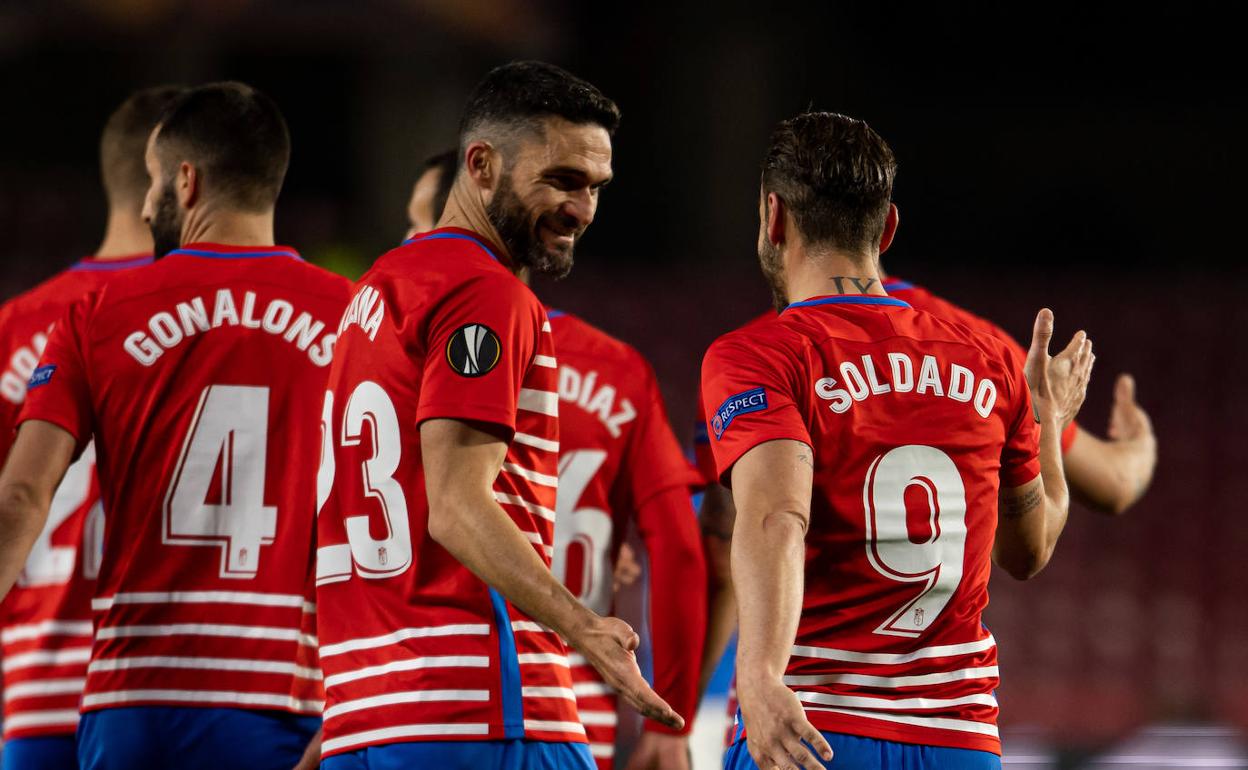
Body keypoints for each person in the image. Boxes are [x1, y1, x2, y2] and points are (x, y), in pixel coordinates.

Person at [314, 61, 681, 770]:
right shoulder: (486, 294)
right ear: (481, 164)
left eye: (595, 188)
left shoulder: (373, 294)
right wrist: (587, 629)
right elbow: (453, 506)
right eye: (563, 180)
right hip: (484, 706)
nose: (582, 209)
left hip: (369, 712)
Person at [701, 112, 1094, 769]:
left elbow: (777, 515)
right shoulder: (990, 362)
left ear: (774, 218)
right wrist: (1047, 425)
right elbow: (1029, 553)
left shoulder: (761, 356)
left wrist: (761, 674)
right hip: (958, 743)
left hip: (811, 731)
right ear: (886, 228)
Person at [0, 81, 352, 770]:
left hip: (134, 700)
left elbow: (20, 495)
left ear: (185, 183)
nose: (143, 204)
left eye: (154, 182)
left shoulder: (97, 313)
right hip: (286, 698)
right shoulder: (354, 318)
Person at [407, 153, 708, 770]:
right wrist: (672, 709)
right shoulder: (619, 370)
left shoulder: (403, 353)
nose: (413, 241)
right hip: (581, 701)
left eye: (421, 223)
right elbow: (678, 548)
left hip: (445, 686)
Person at [0, 84, 184, 770]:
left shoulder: (14, 327)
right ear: (184, 170)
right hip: (182, 687)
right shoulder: (230, 315)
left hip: (36, 687)